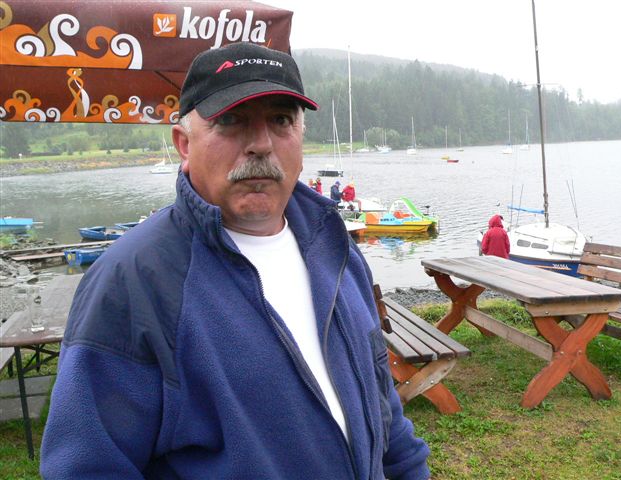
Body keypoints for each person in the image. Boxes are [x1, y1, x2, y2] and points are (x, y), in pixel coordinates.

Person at [41, 42, 430, 479]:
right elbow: (88, 466)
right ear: (184, 144)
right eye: (231, 120)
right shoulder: (133, 281)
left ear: (300, 137)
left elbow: (379, 399)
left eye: (280, 120)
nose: (261, 144)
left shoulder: (335, 247)